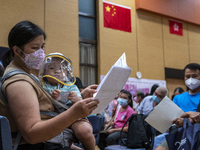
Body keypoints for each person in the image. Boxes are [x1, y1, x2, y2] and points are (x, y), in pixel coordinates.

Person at [0, 20, 99, 150]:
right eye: (35, 48)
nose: (41, 53)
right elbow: (32, 135)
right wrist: (74, 113)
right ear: (17, 51)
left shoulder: (28, 76)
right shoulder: (19, 83)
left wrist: (80, 95)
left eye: (42, 47)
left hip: (52, 141)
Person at [39, 52, 95, 149]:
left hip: (74, 116)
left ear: (67, 72)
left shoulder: (71, 86)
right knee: (58, 141)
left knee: (84, 131)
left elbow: (81, 103)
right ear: (44, 71)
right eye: (52, 68)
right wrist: (51, 96)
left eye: (61, 68)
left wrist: (76, 99)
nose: (57, 71)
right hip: (52, 118)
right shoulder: (42, 85)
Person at [155, 63, 200, 150]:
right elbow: (164, 119)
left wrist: (185, 119)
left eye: (195, 76)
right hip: (180, 133)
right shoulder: (178, 98)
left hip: (197, 133)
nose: (191, 79)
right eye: (187, 76)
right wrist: (188, 114)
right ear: (184, 78)